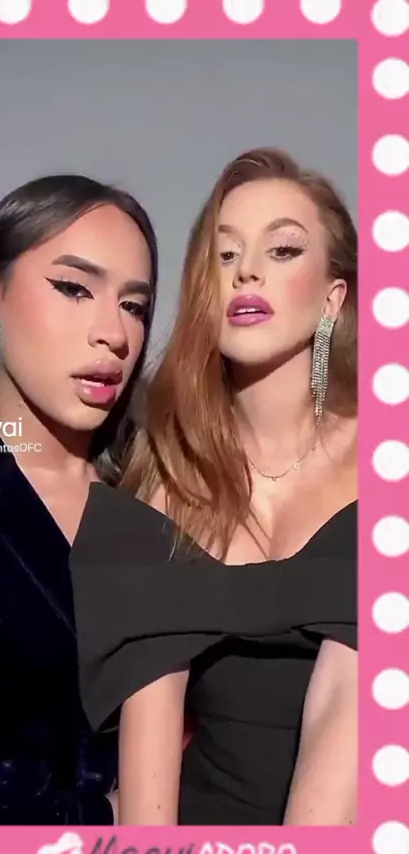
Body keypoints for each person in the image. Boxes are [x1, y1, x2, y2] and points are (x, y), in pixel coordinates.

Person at [70, 148, 358, 826]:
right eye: (225, 255)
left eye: (282, 250)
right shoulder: (162, 480)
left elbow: (346, 713)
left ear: (333, 297)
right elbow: (149, 800)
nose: (246, 271)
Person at [0, 174, 158, 824]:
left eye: (133, 305)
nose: (113, 333)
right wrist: (106, 815)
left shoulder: (165, 507)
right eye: (75, 288)